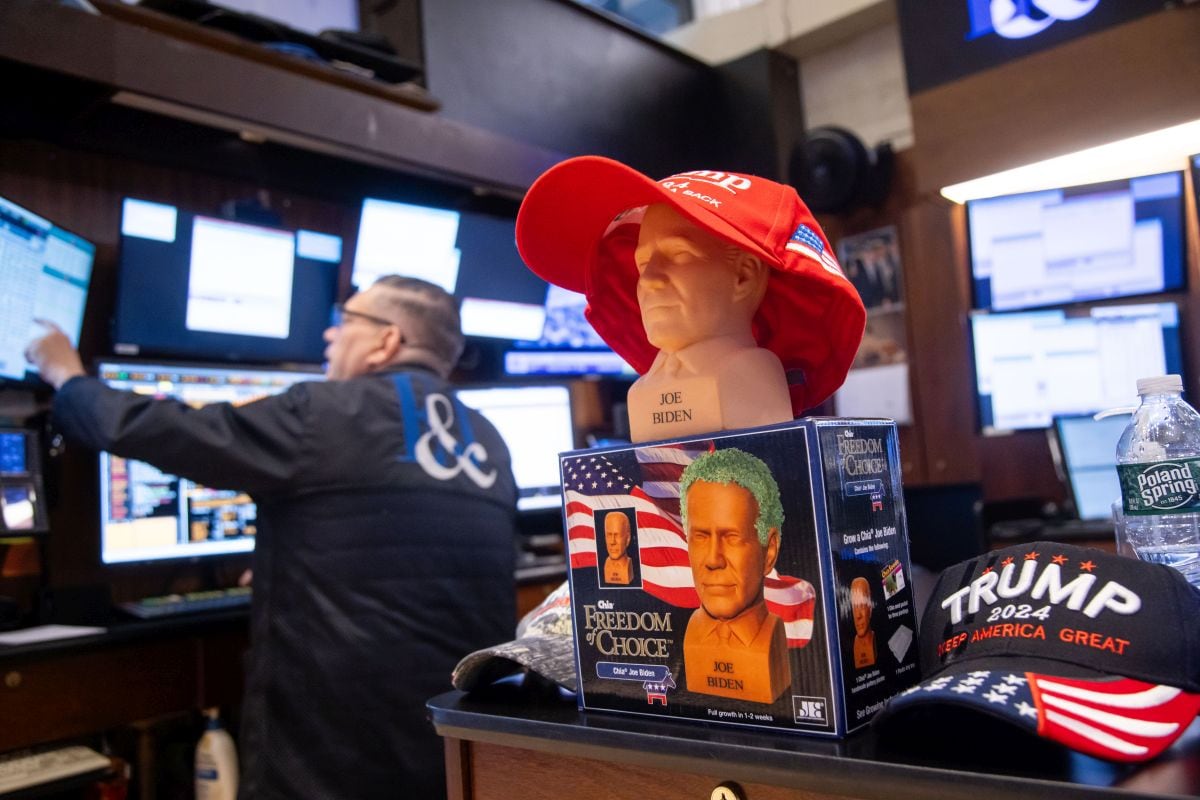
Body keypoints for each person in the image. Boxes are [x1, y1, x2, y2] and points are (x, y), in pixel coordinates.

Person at [25, 275, 519, 800]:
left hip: (340, 755)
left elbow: (169, 431)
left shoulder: (326, 414)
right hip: (456, 743)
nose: (330, 337)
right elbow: (408, 546)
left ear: (386, 340)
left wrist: (69, 378)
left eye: (345, 322)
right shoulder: (488, 438)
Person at [514, 156, 866, 444]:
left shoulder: (749, 379)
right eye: (641, 263)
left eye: (679, 255)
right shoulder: (648, 390)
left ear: (743, 275)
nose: (648, 280)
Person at [678, 448, 791, 704]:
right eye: (700, 537)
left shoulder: (771, 638)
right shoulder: (690, 632)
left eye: (731, 538)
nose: (713, 559)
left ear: (769, 551)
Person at [850, 576, 877, 669]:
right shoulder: (854, 645)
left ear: (870, 608)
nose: (858, 616)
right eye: (854, 607)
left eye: (861, 606)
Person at [601, 511, 634, 585]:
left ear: (628, 539)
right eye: (609, 535)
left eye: (617, 535)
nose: (612, 542)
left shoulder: (628, 565)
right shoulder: (606, 565)